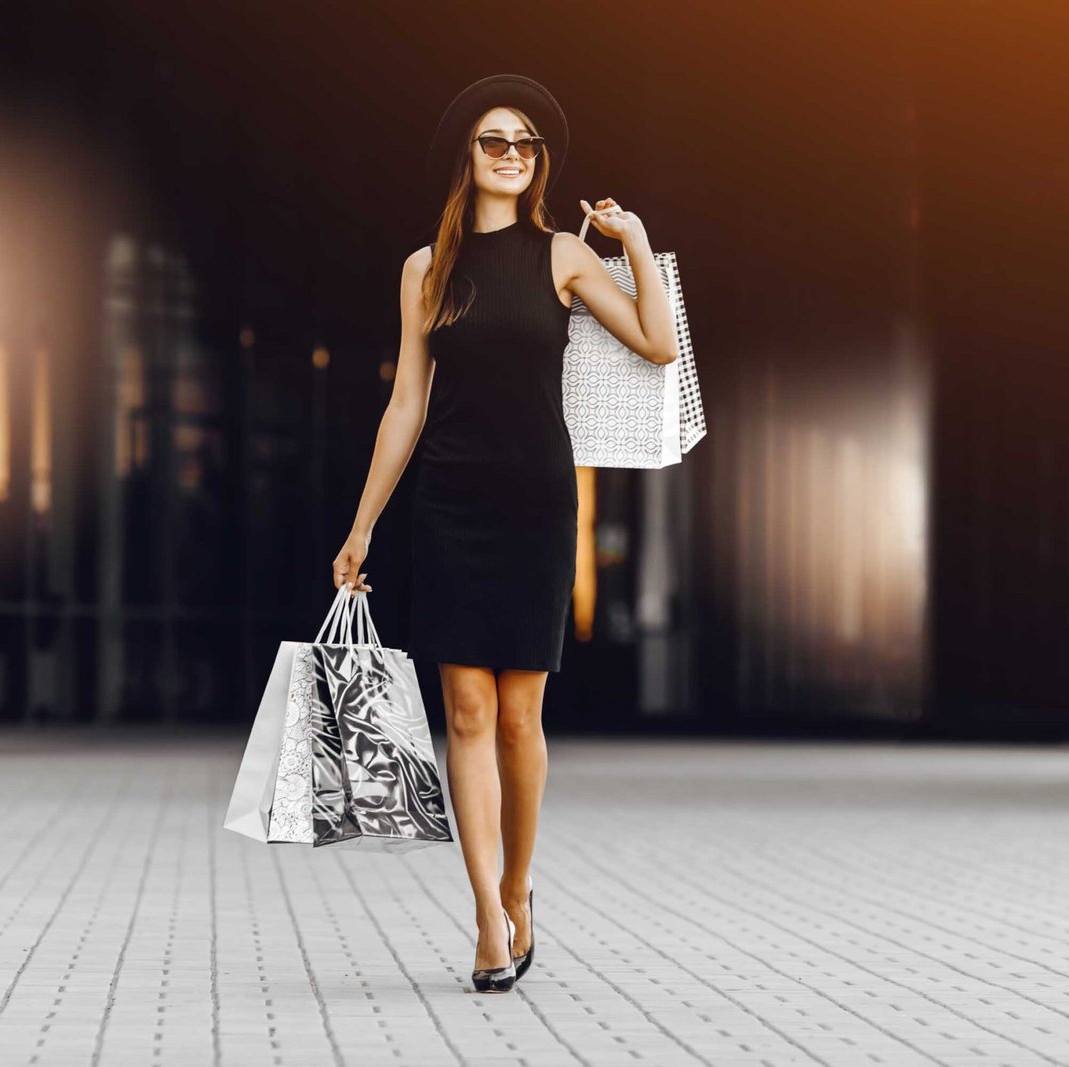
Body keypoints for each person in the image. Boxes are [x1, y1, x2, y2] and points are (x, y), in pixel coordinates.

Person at [332, 73, 681, 994]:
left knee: (521, 715)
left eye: (526, 144)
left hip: (534, 501)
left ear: (539, 162)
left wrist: (633, 240)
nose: (512, 155)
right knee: (468, 713)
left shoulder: (564, 256)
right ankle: (487, 912)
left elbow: (656, 342)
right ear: (468, 156)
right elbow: (407, 403)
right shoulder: (425, 268)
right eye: (495, 141)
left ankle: (520, 885)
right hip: (448, 501)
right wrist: (363, 523)